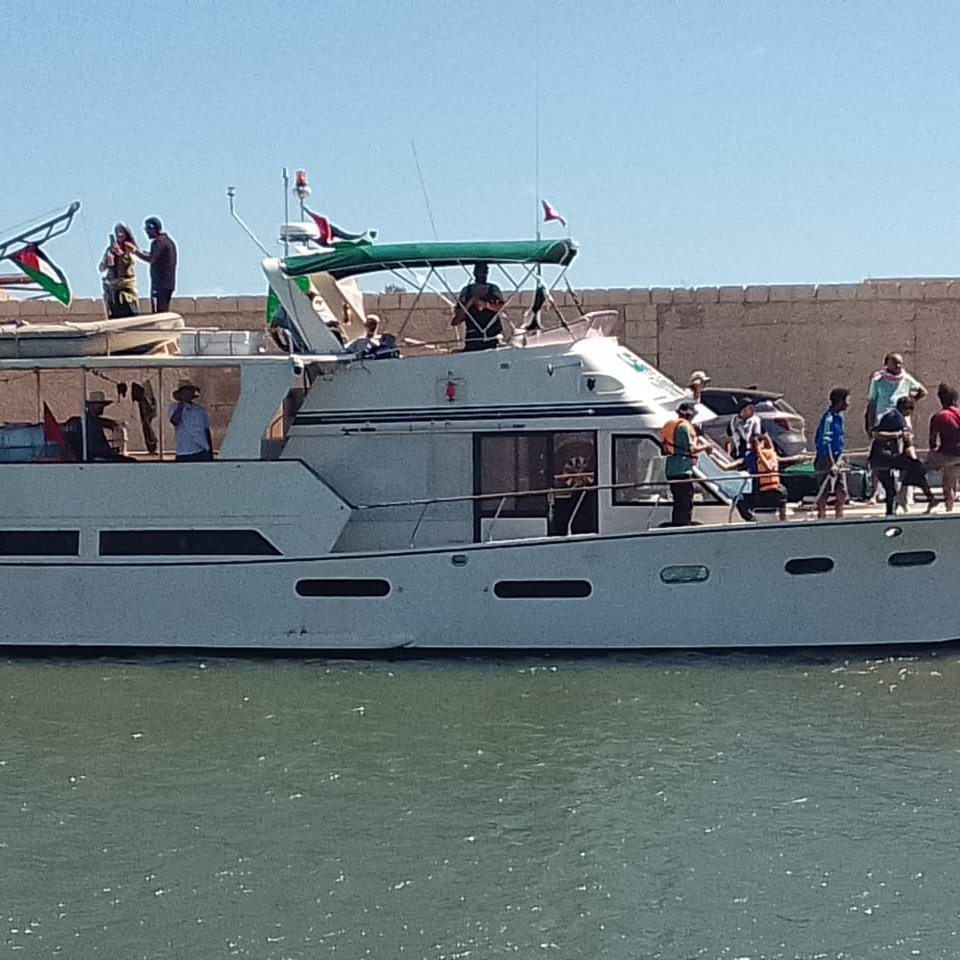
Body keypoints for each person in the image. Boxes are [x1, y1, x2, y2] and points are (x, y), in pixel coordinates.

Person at [868, 396, 937, 516]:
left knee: (891, 488)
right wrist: (897, 434)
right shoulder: (896, 417)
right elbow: (876, 434)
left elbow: (906, 444)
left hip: (882, 458)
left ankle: (891, 513)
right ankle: (928, 496)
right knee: (916, 467)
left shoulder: (895, 416)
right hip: (884, 458)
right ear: (908, 409)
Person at [721, 432, 806, 521]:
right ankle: (752, 520)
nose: (754, 445)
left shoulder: (769, 454)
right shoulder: (749, 458)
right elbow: (725, 467)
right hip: (759, 493)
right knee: (739, 500)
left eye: (756, 443)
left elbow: (769, 467)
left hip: (773, 491)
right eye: (752, 443)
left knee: (781, 491)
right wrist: (710, 454)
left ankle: (783, 521)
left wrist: (760, 453)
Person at [660, 401, 711, 526]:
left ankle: (678, 524)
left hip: (671, 469)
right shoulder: (685, 427)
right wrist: (706, 446)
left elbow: (664, 450)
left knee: (678, 502)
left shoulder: (669, 426)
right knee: (685, 502)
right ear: (690, 416)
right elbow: (692, 449)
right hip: (682, 470)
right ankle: (683, 526)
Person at [814, 387, 850, 520]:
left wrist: (839, 459)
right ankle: (821, 516)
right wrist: (831, 463)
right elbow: (825, 441)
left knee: (842, 490)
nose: (848, 403)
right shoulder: (828, 418)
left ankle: (839, 516)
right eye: (847, 400)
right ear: (840, 401)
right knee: (825, 490)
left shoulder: (839, 417)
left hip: (838, 457)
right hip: (826, 458)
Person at [451, 263, 505, 351]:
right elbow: (456, 319)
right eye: (480, 272)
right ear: (474, 273)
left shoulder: (493, 289)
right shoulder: (466, 291)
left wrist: (486, 305)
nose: (483, 275)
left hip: (492, 336)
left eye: (485, 272)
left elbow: (502, 307)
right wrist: (470, 303)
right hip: (473, 336)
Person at [927, 382, 960, 512]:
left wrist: (933, 454)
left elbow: (932, 440)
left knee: (947, 483)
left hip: (948, 456)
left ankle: (949, 508)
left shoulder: (938, 416)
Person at [134, 217, 177, 313]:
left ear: (153, 228)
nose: (146, 232)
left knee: (158, 313)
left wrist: (134, 252)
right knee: (163, 311)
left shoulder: (158, 242)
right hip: (168, 284)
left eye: (147, 229)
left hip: (159, 285)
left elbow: (151, 258)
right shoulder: (168, 241)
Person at [99, 224, 139, 318]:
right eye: (117, 232)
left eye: (121, 232)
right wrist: (107, 261)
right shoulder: (110, 249)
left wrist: (120, 253)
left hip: (126, 286)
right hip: (113, 286)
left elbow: (130, 261)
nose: (119, 234)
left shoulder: (129, 247)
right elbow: (101, 268)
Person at [168, 382, 213, 462]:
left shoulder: (199, 410)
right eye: (185, 392)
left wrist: (209, 450)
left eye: (189, 392)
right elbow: (175, 421)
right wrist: (182, 404)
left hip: (201, 450)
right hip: (184, 452)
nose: (187, 395)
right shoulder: (174, 408)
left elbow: (206, 430)